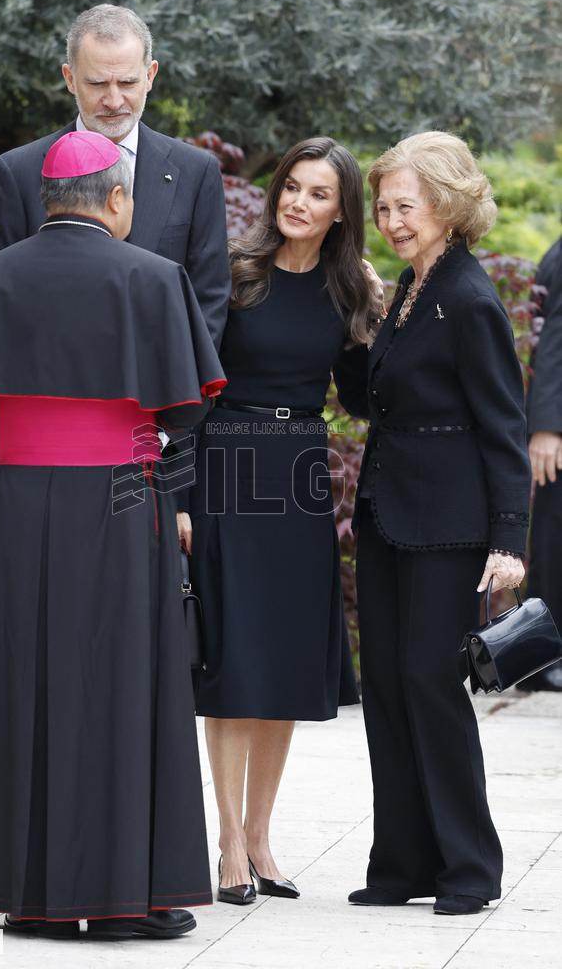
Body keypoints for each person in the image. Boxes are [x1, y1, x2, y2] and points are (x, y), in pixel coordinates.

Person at [0, 131, 226, 940]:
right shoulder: (156, 278)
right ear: (119, 200)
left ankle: (31, 894)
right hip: (126, 503)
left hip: (20, 504)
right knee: (126, 685)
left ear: (44, 200)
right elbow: (184, 411)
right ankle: (126, 894)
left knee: (23, 681)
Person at [178, 137, 382, 904]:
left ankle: (262, 837)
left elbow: (360, 400)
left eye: (318, 193)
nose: (298, 202)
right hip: (227, 467)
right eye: (291, 187)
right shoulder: (235, 275)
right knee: (235, 663)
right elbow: (191, 389)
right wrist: (183, 498)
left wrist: (377, 318)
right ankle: (227, 838)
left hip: (298, 474)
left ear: (340, 211)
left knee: (284, 666)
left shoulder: (347, 291)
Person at [348, 131, 530, 917]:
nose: (390, 220)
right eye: (382, 206)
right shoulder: (410, 287)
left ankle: (468, 869)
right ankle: (400, 865)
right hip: (391, 516)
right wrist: (358, 318)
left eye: (405, 206)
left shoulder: (469, 296)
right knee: (387, 686)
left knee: (430, 682)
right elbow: (371, 401)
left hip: (449, 526)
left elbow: (503, 424)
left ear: (448, 206)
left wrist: (509, 541)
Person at [0, 3, 229, 348]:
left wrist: (182, 393)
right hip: (46, 388)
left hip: (158, 391)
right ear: (69, 79)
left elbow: (209, 298)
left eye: (127, 82)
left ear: (151, 75)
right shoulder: (16, 172)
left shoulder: (197, 171)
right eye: (97, 83)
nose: (114, 100)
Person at [518, 236, 562, 691]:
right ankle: (542, 659)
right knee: (554, 541)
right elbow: (553, 337)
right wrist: (547, 426)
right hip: (559, 433)